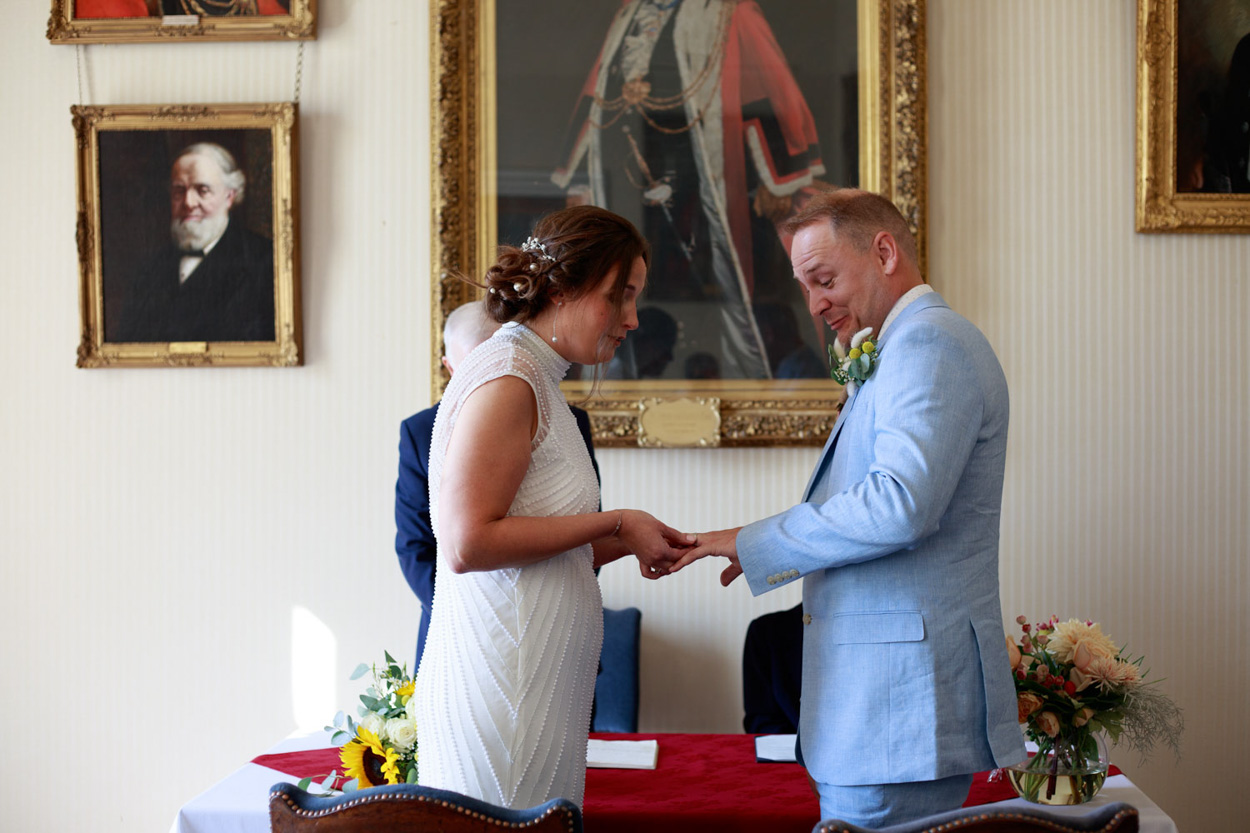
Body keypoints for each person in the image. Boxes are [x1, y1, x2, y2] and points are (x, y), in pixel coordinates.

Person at [673, 189, 1025, 827]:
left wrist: (754, 541)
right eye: (805, 287)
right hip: (879, 715)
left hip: (895, 714)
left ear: (884, 252)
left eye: (824, 279)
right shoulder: (902, 346)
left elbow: (901, 504)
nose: (814, 304)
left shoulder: (928, 345)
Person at [415, 205, 692, 809]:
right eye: (619, 297)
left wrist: (633, 537)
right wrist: (616, 520)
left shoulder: (538, 375)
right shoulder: (510, 376)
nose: (633, 319)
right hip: (503, 690)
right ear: (562, 287)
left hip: (534, 689)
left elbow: (542, 538)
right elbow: (468, 544)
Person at [551, 0, 828, 379]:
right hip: (637, 167)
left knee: (724, 277)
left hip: (717, 171)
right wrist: (578, 172)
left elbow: (769, 88)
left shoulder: (733, 11)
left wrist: (779, 173)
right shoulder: (631, 12)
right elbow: (599, 89)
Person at [394, 299, 599, 670]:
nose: (491, 377)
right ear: (449, 368)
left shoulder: (572, 421)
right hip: (457, 632)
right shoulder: (419, 431)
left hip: (556, 629)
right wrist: (472, 613)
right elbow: (415, 546)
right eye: (475, 365)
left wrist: (557, 601)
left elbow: (583, 527)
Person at [111, 142, 274, 343]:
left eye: (203, 190)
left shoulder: (264, 262)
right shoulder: (148, 269)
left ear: (229, 197)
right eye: (179, 190)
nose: (188, 202)